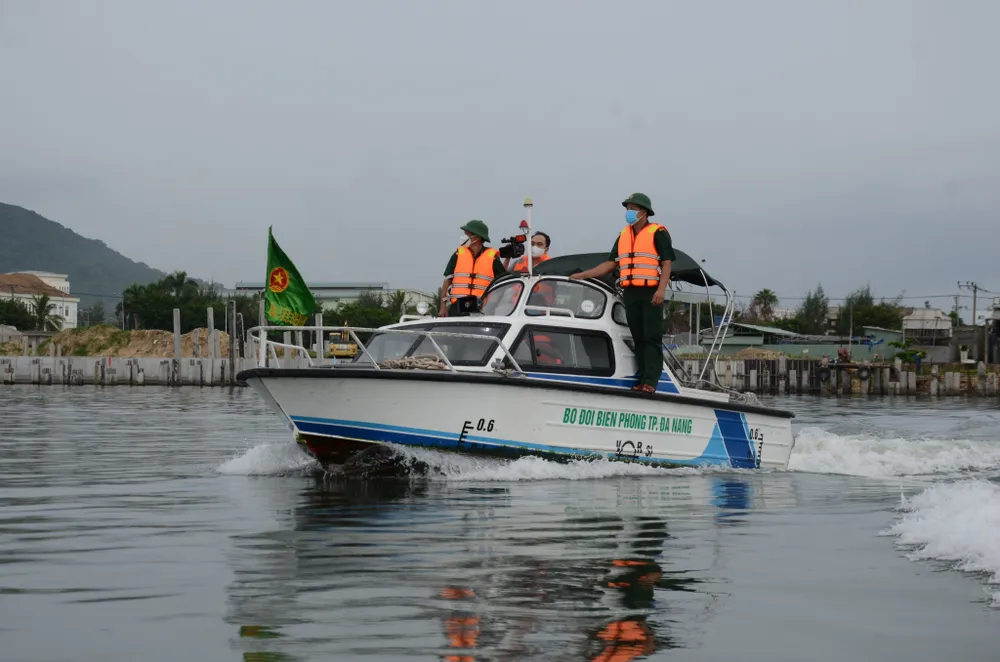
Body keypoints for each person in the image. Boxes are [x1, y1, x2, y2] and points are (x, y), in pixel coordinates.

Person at [570, 192, 675, 393]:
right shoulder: (624, 235)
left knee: (651, 337)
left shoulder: (657, 232)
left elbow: (667, 262)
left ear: (643, 213)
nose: (628, 212)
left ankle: (650, 382)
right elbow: (611, 263)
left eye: (632, 209)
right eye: (627, 209)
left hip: (650, 291)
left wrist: (661, 290)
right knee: (637, 337)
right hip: (630, 292)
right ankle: (641, 379)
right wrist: (584, 275)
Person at [440, 220, 507, 317]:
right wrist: (443, 307)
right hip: (457, 308)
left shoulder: (492, 257)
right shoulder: (458, 254)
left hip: (482, 310)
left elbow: (502, 284)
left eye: (467, 234)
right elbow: (447, 281)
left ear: (477, 237)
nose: (464, 237)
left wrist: (493, 306)